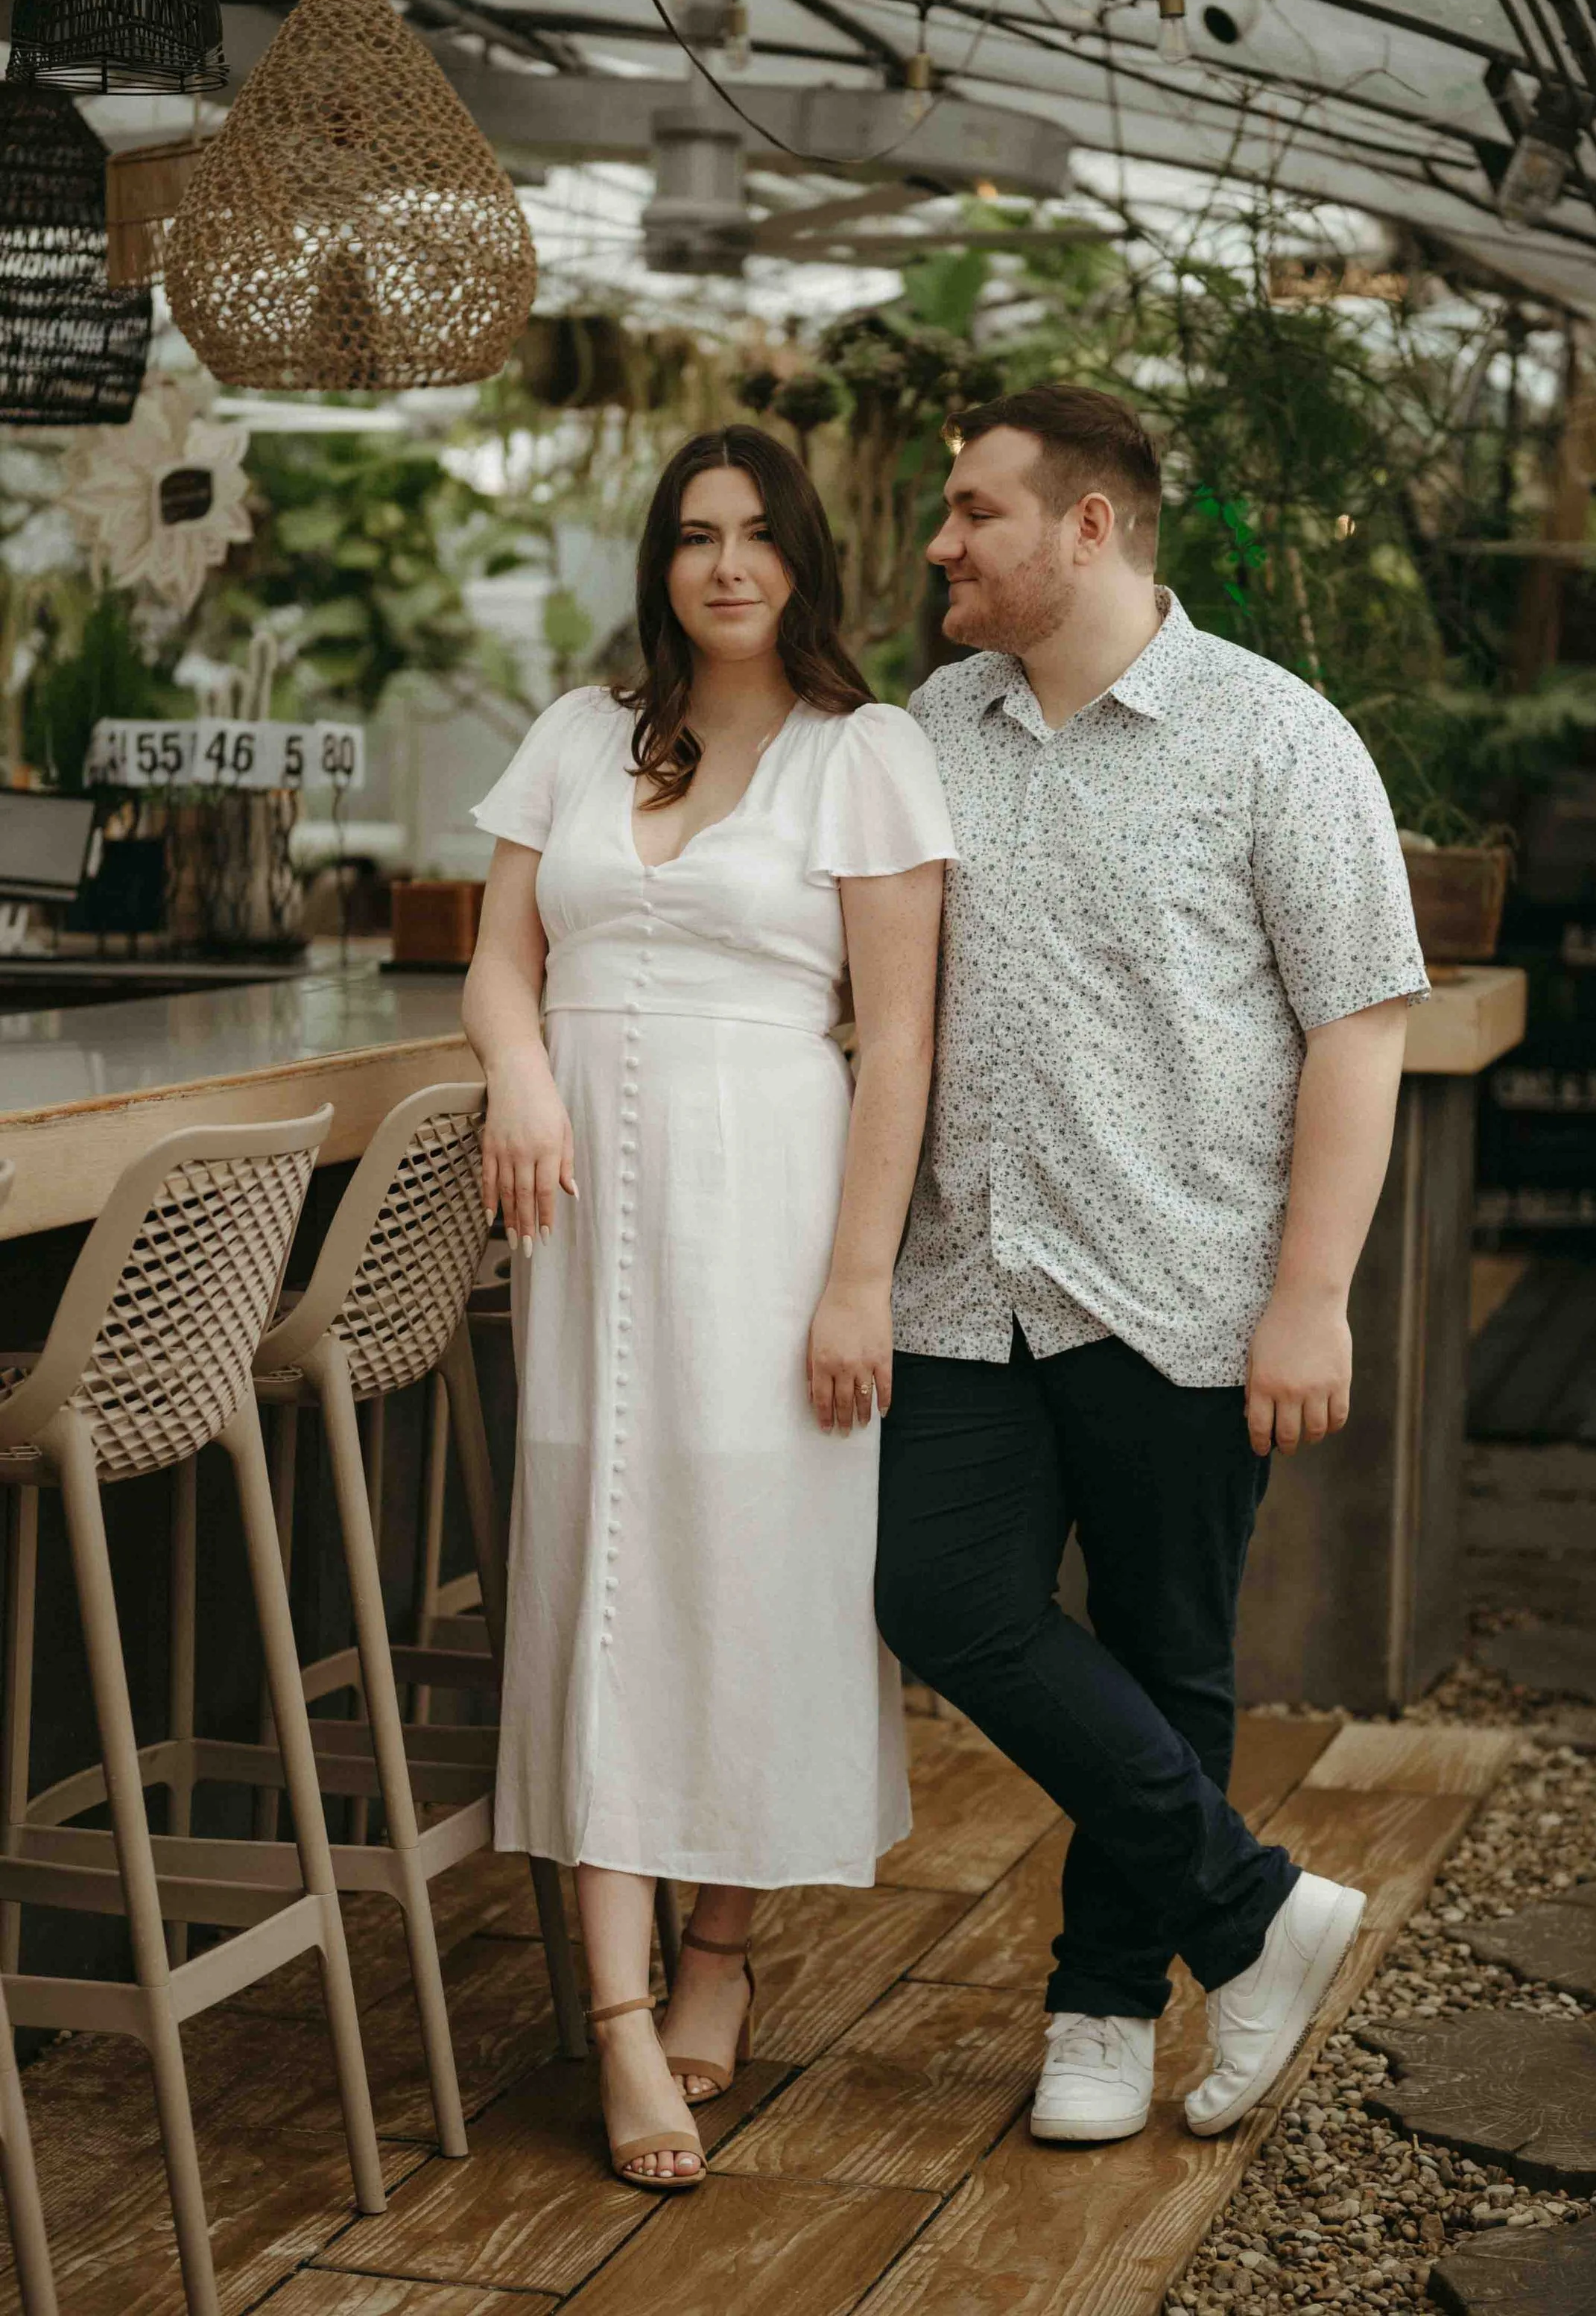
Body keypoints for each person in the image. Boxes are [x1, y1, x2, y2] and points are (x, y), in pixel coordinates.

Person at [875, 384, 1430, 2146]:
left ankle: (1106, 2005)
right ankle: (1254, 1908)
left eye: (974, 510)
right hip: (963, 1277)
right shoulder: (926, 726)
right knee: (939, 1595)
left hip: (1182, 1278)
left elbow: (1361, 1025)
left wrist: (1310, 1295)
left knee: (1171, 1645)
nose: (940, 541)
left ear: (1088, 525)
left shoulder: (1275, 736)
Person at [463, 426, 954, 2192]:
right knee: (597, 1571)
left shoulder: (867, 752)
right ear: (659, 562)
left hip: (774, 1206)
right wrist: (524, 1079)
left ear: (805, 559)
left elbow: (898, 1037)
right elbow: (499, 953)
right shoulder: (582, 732)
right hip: (584, 1212)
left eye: (755, 536)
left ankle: (719, 1946)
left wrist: (857, 1274)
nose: (725, 564)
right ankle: (609, 2011)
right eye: (693, 536)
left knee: (748, 1566)